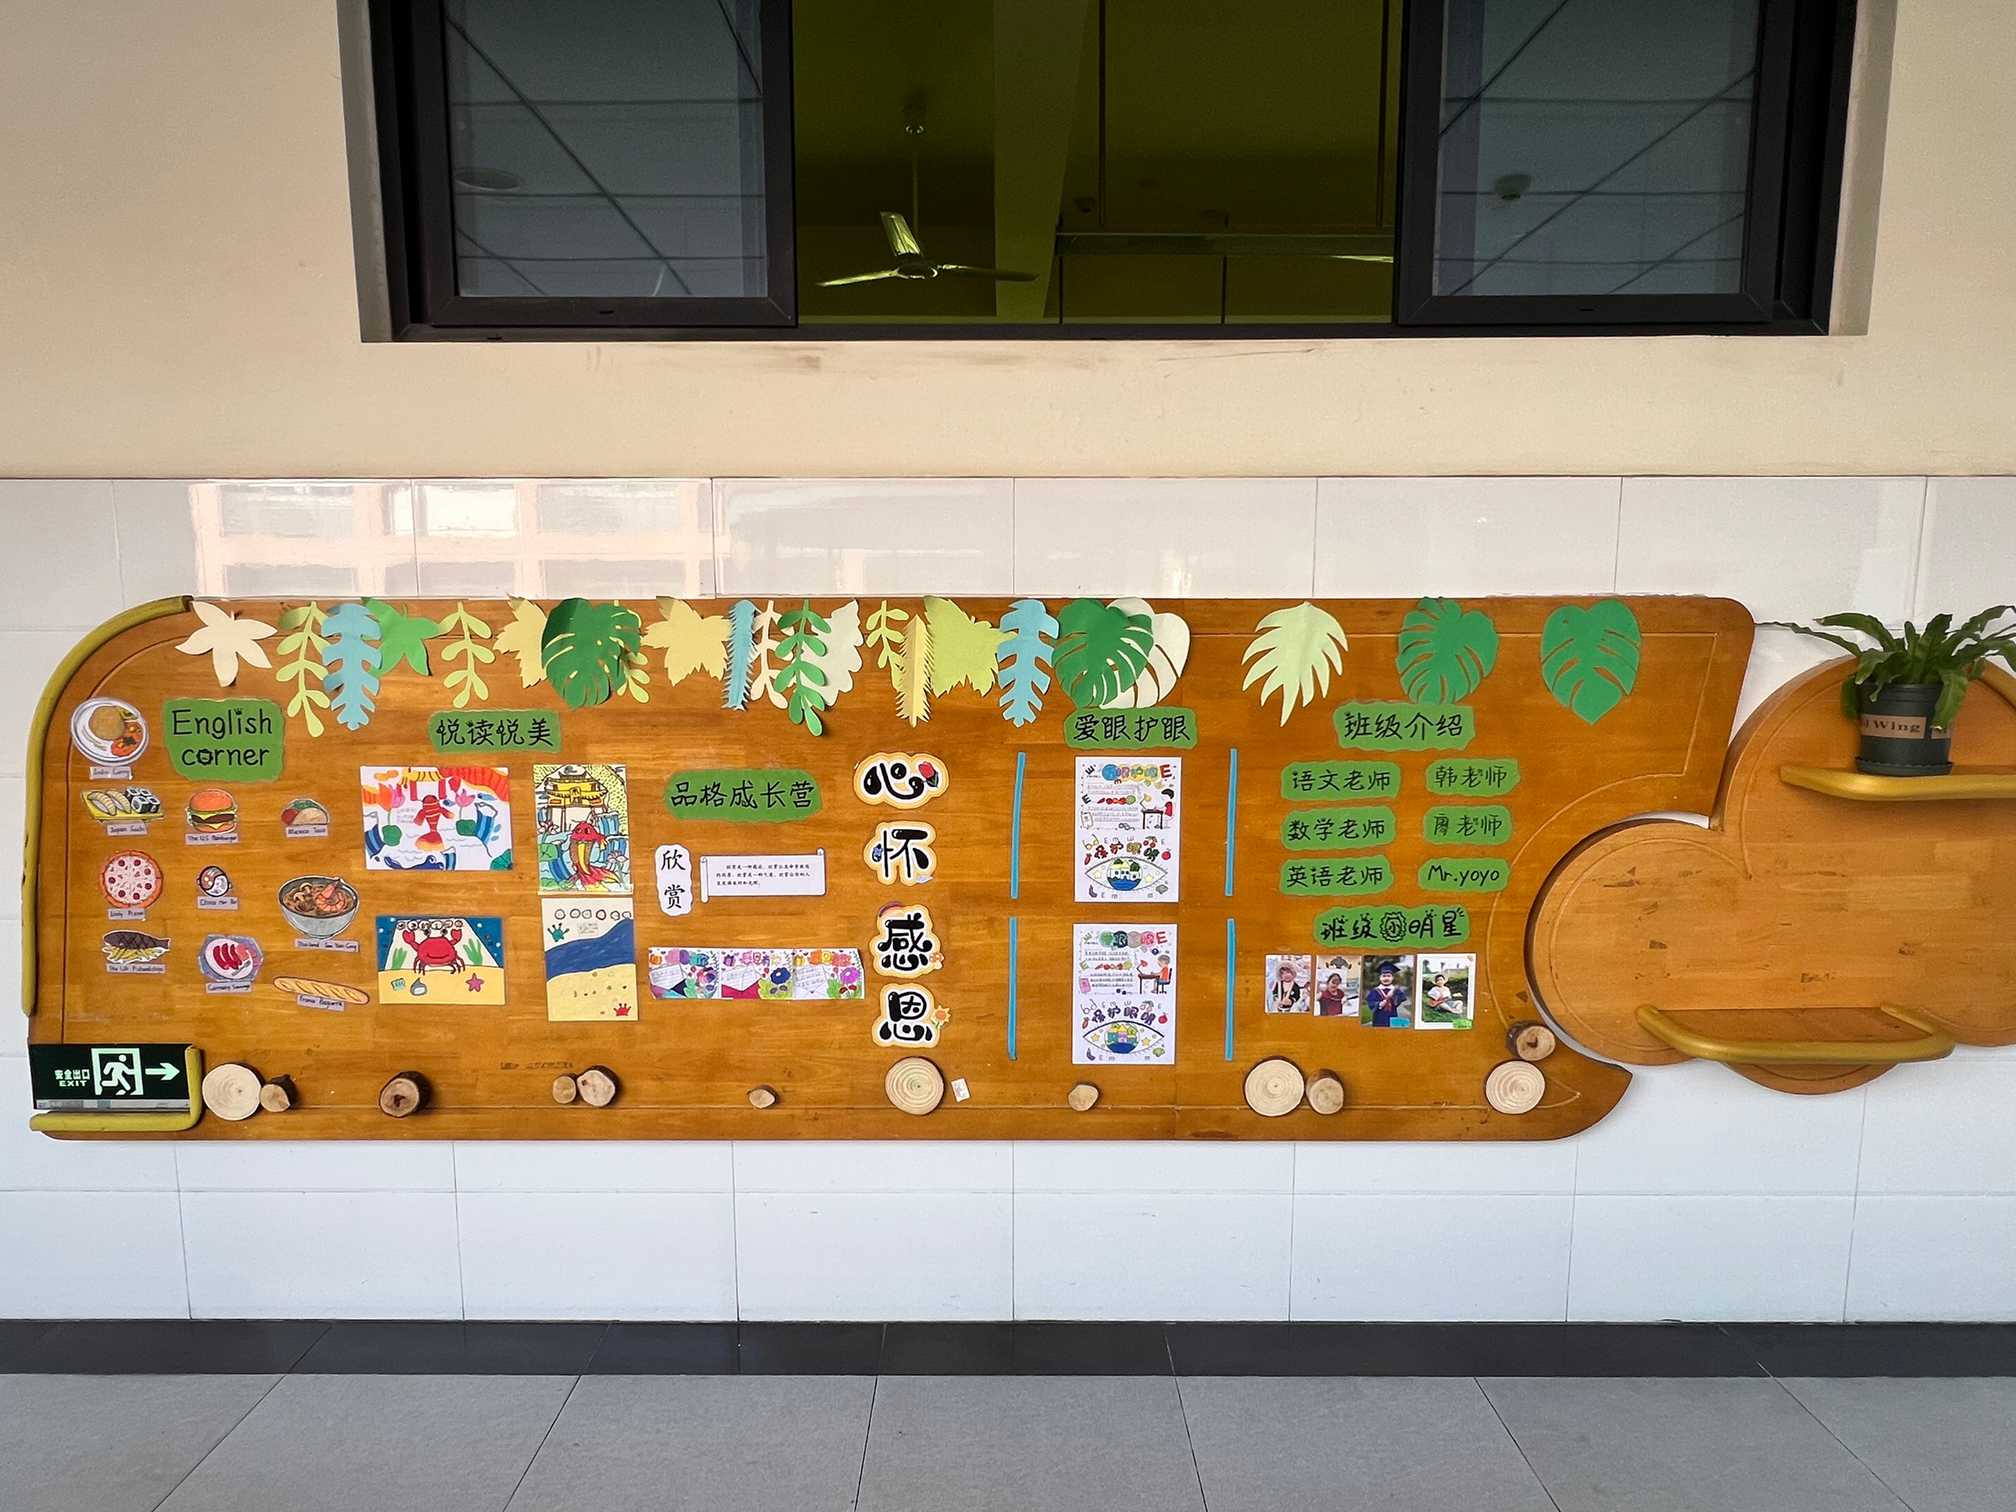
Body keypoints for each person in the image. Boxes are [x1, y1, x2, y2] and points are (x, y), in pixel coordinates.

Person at [1363, 962, 1411, 1028]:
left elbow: (1400, 1000)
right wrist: (1379, 1004)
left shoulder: (1395, 990)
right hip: (1378, 1019)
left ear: (1392, 978)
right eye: (1384, 976)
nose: (1386, 978)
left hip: (1392, 1017)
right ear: (1380, 978)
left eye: (1388, 976)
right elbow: (1370, 1003)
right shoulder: (1375, 991)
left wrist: (1393, 995)